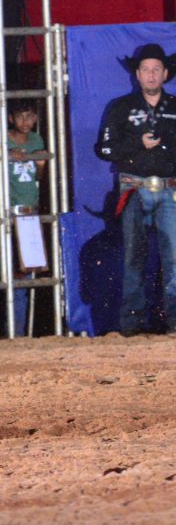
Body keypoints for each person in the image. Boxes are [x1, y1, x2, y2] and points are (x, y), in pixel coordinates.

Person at [95, 42, 176, 336]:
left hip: (170, 190)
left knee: (174, 259)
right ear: (137, 74)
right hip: (133, 189)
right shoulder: (120, 108)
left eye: (156, 69)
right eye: (145, 69)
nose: (151, 75)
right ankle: (131, 326)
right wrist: (136, 144)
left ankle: (175, 323)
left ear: (165, 74)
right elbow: (104, 149)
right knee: (133, 258)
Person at [0, 99, 47, 338]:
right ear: (11, 118)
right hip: (6, 211)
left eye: (30, 116)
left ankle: (17, 334)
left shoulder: (36, 140)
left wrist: (39, 162)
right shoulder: (0, 140)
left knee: (23, 273)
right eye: (20, 116)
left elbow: (38, 176)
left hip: (29, 212)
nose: (25, 121)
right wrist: (5, 155)